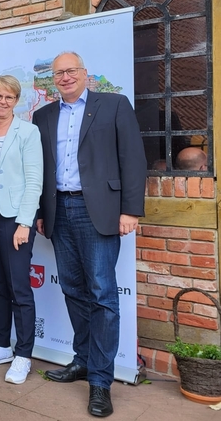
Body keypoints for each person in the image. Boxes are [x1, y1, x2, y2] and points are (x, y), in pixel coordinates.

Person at [33, 51, 146, 418]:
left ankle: (100, 380)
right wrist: (38, 213)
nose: (64, 77)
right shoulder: (43, 116)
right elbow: (39, 170)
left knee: (102, 293)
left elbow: (133, 158)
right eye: (58, 73)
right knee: (72, 288)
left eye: (70, 71)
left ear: (84, 73)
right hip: (58, 210)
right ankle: (82, 360)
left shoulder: (113, 105)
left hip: (98, 211)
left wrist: (130, 210)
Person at [0, 75, 43, 385]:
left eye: (9, 97)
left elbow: (34, 181)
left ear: (17, 101)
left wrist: (24, 223)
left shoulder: (28, 132)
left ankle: (23, 354)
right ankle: (1, 344)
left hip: (12, 218)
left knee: (19, 288)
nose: (2, 101)